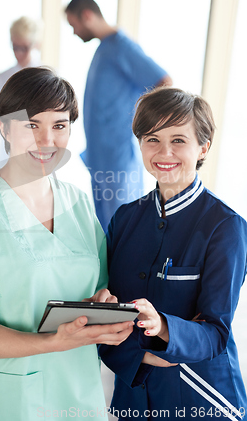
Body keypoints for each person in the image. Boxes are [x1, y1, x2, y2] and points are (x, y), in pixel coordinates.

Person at [0, 67, 134, 421]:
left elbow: (99, 287)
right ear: (4, 128)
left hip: (77, 391)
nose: (47, 140)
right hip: (7, 399)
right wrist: (51, 343)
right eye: (32, 125)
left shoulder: (78, 203)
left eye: (59, 126)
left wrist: (103, 302)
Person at [99, 87, 247, 420]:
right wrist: (144, 353)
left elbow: (215, 333)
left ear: (203, 147)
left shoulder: (226, 227)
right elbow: (103, 315)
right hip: (134, 400)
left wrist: (163, 327)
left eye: (179, 140)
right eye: (152, 139)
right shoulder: (124, 219)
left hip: (203, 398)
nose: (164, 152)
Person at [65, 0, 172, 232]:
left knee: (124, 228)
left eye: (74, 25)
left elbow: (163, 82)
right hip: (100, 157)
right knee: (106, 229)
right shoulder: (104, 49)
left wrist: (146, 128)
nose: (74, 32)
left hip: (117, 156)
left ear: (87, 16)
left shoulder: (122, 46)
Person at [0, 16, 42, 113]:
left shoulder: (49, 76)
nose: (19, 53)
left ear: (35, 44)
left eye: (24, 48)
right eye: (15, 47)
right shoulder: (0, 79)